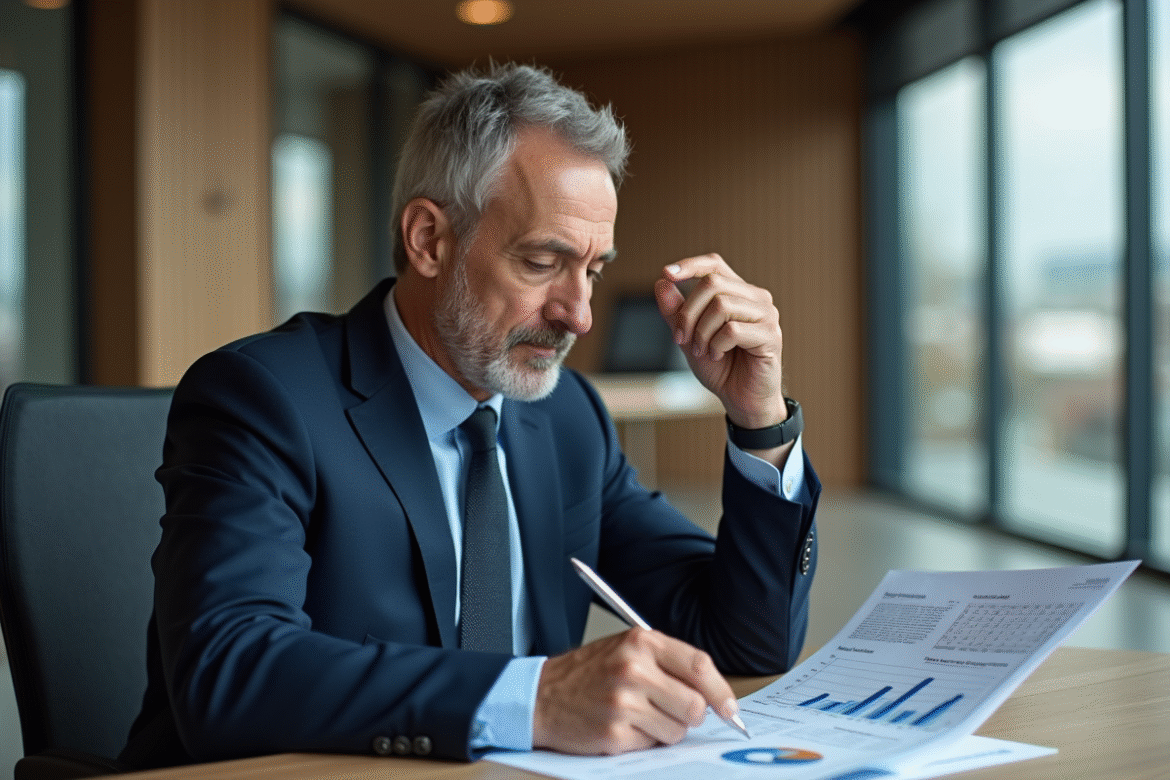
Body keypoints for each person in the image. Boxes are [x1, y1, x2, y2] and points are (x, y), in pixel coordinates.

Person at [120, 62, 819, 769]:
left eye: (593, 270)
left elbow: (746, 642)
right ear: (429, 239)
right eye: (542, 262)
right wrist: (535, 700)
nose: (578, 314)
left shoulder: (569, 418)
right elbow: (227, 671)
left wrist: (759, 419)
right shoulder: (264, 397)